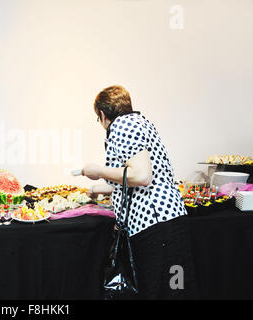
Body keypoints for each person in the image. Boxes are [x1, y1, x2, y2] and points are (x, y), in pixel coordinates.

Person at [81, 85, 197, 299]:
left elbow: (142, 176)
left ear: (102, 114)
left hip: (157, 226)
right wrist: (97, 189)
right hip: (168, 223)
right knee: (176, 289)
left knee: (168, 291)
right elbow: (130, 178)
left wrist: (97, 171)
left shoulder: (122, 125)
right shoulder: (139, 122)